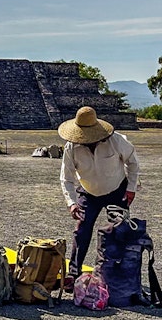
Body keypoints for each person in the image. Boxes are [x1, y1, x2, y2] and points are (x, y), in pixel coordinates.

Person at [58, 106, 139, 292]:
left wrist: (131, 189)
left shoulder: (116, 141)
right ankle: (73, 272)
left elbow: (133, 162)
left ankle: (117, 273)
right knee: (81, 231)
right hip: (87, 192)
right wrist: (71, 203)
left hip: (117, 191)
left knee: (119, 232)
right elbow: (66, 178)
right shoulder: (71, 147)